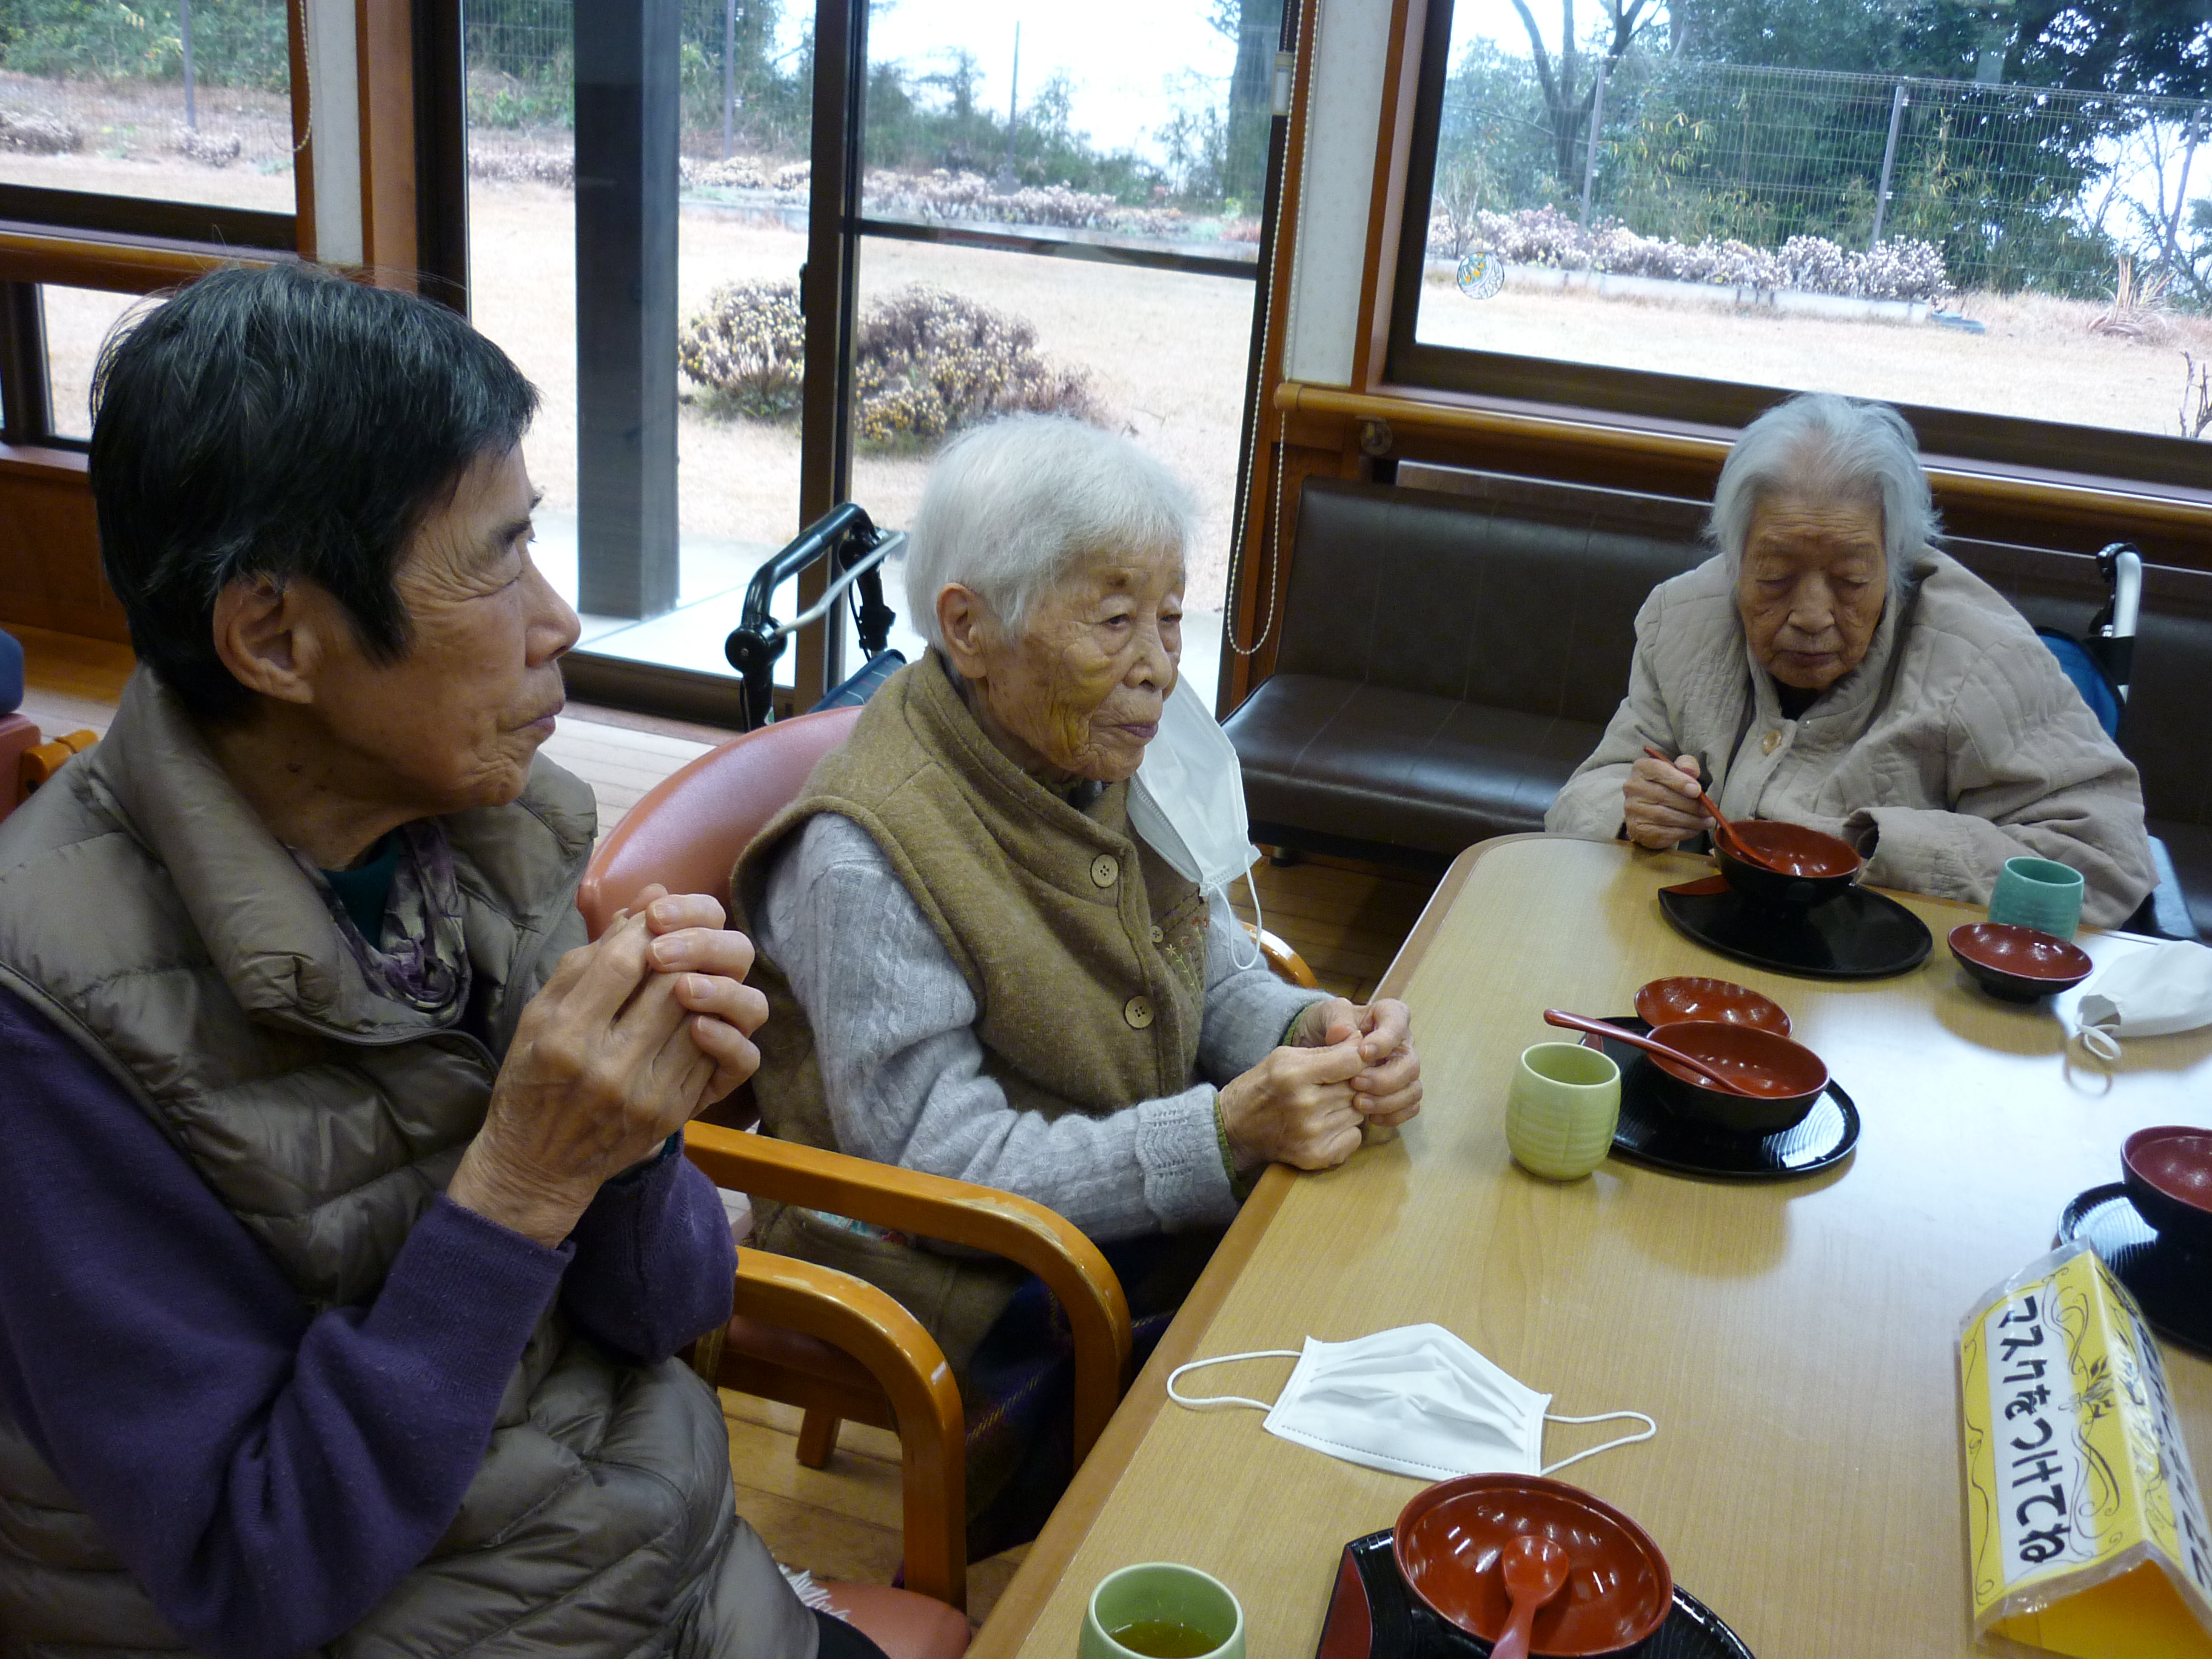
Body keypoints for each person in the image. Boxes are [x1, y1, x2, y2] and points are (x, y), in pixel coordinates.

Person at [0, 266, 866, 1659]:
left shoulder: (485, 836)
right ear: (275, 638)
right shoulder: (46, 1022)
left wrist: (632, 1131)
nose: (557, 619)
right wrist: (521, 1181)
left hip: (671, 1577)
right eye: (497, 558)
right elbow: (249, 1568)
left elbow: (664, 1305)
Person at [734, 415, 1423, 1547]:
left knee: (1361, 1277)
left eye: (1170, 616)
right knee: (1275, 1408)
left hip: (1108, 1168)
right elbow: (940, 1173)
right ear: (970, 628)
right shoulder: (863, 857)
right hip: (951, 1257)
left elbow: (1203, 960)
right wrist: (1223, 1135)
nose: (1159, 667)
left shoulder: (1095, 740)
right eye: (1113, 621)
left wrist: (1309, 1030)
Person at [1546, 392, 2156, 928]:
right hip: (1696, 952)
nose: (1813, 615)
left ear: (1896, 560)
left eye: (1852, 579)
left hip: (1894, 984)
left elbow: (2107, 861)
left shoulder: (1982, 657)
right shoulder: (1682, 620)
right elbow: (1586, 794)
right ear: (1734, 556)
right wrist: (1634, 813)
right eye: (1776, 576)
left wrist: (1883, 848)